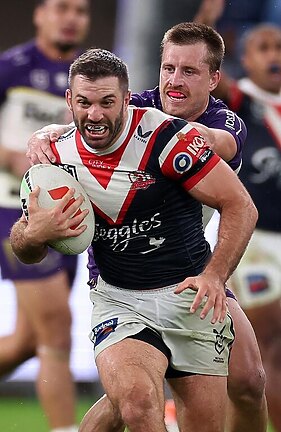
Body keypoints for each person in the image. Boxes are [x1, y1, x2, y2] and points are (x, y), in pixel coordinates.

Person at [28, 24, 268, 432]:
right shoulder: (134, 106)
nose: (174, 80)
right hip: (122, 275)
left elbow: (218, 143)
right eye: (168, 68)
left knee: (248, 380)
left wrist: (171, 138)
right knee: (136, 398)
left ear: (213, 79)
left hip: (187, 269)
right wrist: (47, 134)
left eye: (190, 72)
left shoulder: (221, 119)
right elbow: (86, 120)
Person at [0, 1, 90, 431]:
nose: (72, 17)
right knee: (57, 328)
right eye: (62, 7)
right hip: (11, 213)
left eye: (82, 10)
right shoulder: (10, 68)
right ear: (39, 14)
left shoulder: (87, 80)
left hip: (69, 218)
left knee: (26, 342)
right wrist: (8, 155)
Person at [211, 23, 281, 432]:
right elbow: (198, 63)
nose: (274, 55)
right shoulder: (240, 102)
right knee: (267, 344)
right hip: (257, 242)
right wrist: (206, 17)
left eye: (279, 46)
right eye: (263, 48)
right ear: (246, 59)